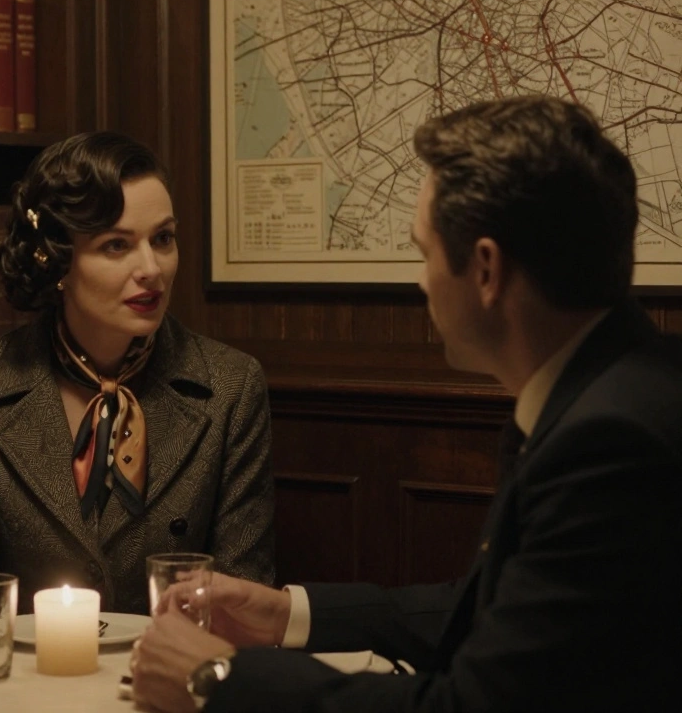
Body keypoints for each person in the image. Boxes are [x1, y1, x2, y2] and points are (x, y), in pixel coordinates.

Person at [130, 95, 681, 712]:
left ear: (486, 270)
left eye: (424, 253)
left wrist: (217, 681)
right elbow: (493, 614)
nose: (419, 282)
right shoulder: (616, 388)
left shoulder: (613, 443)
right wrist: (285, 614)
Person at [0, 131, 276, 615]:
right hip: (25, 683)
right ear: (57, 262)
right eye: (116, 245)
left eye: (163, 239)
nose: (151, 269)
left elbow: (246, 602)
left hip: (168, 676)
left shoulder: (229, 386)